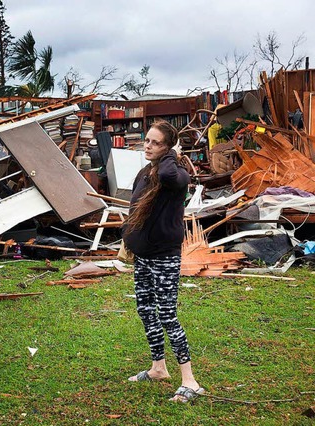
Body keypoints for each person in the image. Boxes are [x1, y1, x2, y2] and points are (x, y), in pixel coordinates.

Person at [121, 120, 204, 403]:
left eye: (155, 143)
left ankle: (190, 380)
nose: (147, 146)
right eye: (146, 140)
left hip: (165, 256)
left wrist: (171, 154)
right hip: (144, 255)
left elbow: (169, 175)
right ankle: (158, 368)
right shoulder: (146, 172)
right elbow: (134, 205)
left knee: (167, 315)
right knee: (145, 309)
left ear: (167, 147)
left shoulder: (176, 173)